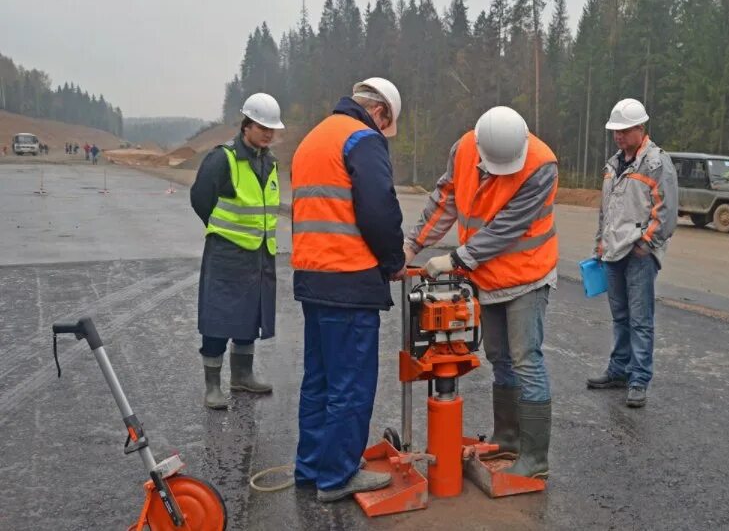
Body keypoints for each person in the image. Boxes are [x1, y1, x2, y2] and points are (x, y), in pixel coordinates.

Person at [404, 106, 558, 480]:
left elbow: (506, 228)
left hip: (527, 276)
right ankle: (508, 437)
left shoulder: (541, 165)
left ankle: (535, 458)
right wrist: (413, 246)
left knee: (526, 359)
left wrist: (456, 259)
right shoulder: (464, 150)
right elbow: (445, 200)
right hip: (486, 277)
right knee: (499, 357)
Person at [291, 77, 405, 502]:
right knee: (351, 384)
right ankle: (337, 475)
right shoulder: (362, 139)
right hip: (349, 278)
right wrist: (393, 262)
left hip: (313, 276)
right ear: (380, 113)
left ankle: (312, 467)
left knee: (319, 380)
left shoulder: (314, 139)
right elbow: (379, 209)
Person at [189, 93, 284, 409]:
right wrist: (219, 228)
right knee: (219, 319)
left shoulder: (268, 162)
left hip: (259, 254)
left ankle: (242, 376)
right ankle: (212, 385)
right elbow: (201, 198)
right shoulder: (223, 158)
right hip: (227, 254)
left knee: (249, 315)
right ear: (247, 126)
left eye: (272, 129)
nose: (268, 134)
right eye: (262, 127)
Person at [586, 98, 678, 408]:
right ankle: (619, 371)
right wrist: (600, 245)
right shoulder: (613, 164)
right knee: (621, 317)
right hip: (613, 253)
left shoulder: (656, 162)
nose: (618, 137)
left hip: (638, 255)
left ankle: (639, 379)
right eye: (615, 132)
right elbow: (607, 210)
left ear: (640, 128)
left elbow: (666, 213)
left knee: (640, 320)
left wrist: (646, 245)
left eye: (624, 131)